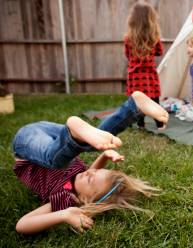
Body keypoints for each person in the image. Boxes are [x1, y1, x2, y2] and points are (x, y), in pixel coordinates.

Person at [13, 91, 169, 234]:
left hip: (27, 145)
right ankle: (133, 107)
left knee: (58, 161)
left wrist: (64, 215)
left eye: (90, 178)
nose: (90, 171)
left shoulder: (66, 199)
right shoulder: (81, 177)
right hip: (54, 135)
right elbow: (92, 173)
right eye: (96, 171)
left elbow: (22, 224)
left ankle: (76, 135)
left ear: (85, 200)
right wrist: (105, 156)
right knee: (92, 144)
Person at [124, 2, 165, 129]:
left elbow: (127, 55)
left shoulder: (128, 38)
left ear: (132, 19)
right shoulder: (154, 38)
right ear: (150, 19)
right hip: (149, 75)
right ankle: (159, 124)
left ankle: (140, 124)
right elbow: (160, 52)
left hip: (135, 76)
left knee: (138, 100)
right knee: (153, 99)